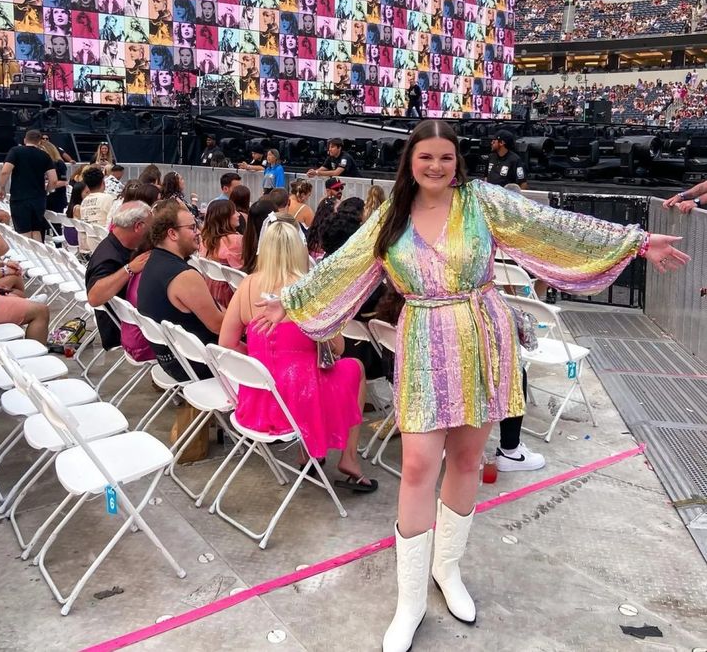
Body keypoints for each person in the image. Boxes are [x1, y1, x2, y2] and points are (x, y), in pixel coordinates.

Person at [255, 119, 688, 652]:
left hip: (484, 339)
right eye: (425, 157)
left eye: (445, 157)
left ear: (457, 160)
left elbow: (551, 225)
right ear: (409, 162)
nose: (436, 166)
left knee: (465, 462)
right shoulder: (391, 216)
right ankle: (409, 599)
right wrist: (292, 302)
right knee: (417, 465)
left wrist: (638, 242)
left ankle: (448, 570)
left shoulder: (483, 201)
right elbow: (343, 266)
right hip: (423, 343)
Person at [219, 217, 377, 489]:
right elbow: (337, 348)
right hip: (300, 399)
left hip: (259, 400)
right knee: (354, 368)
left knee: (307, 373)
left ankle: (310, 454)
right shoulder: (308, 293)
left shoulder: (246, 287)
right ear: (300, 250)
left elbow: (227, 343)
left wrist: (259, 364)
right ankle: (348, 457)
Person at [138, 203, 224, 380]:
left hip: (171, 360)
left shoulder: (153, 262)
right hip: (200, 365)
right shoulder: (184, 276)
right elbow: (219, 326)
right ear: (172, 233)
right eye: (192, 227)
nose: (199, 232)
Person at [0, 204, 50, 343]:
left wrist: (1, 265)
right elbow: (1, 247)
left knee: (17, 290)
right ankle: (33, 357)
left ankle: (20, 306)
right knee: (41, 311)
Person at [85, 202, 153, 351]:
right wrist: (129, 269)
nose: (152, 229)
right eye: (150, 225)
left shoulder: (117, 245)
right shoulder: (108, 256)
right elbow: (94, 297)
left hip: (127, 323)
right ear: (138, 227)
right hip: (121, 330)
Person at [0, 130, 57, 240]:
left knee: (23, 232)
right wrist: (47, 191)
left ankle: (27, 256)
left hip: (20, 198)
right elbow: (53, 180)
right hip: (39, 199)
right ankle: (39, 256)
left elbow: (5, 171)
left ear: (25, 140)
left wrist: (2, 188)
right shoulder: (45, 156)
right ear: (39, 142)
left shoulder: (15, 151)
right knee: (36, 230)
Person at [78, 167, 117, 253]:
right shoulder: (108, 198)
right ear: (103, 183)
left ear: (87, 186)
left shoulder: (84, 201)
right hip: (105, 243)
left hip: (90, 243)